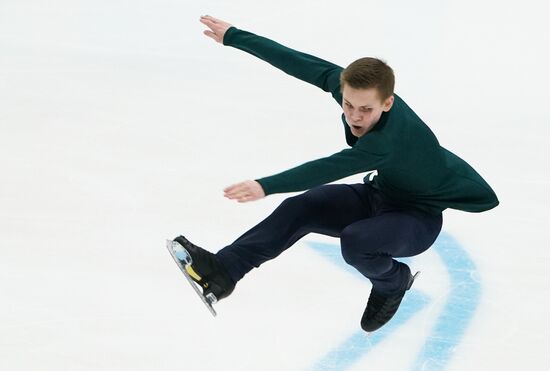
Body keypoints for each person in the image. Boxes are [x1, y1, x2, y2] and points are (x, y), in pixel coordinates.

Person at [173, 15, 499, 332]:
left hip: (416, 220)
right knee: (301, 208)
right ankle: (225, 271)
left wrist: (265, 186)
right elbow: (300, 63)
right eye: (348, 104)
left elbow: (329, 167)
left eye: (366, 109)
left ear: (387, 103)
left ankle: (394, 281)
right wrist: (235, 36)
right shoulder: (353, 91)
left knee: (357, 240)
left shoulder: (387, 141)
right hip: (379, 195)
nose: (355, 116)